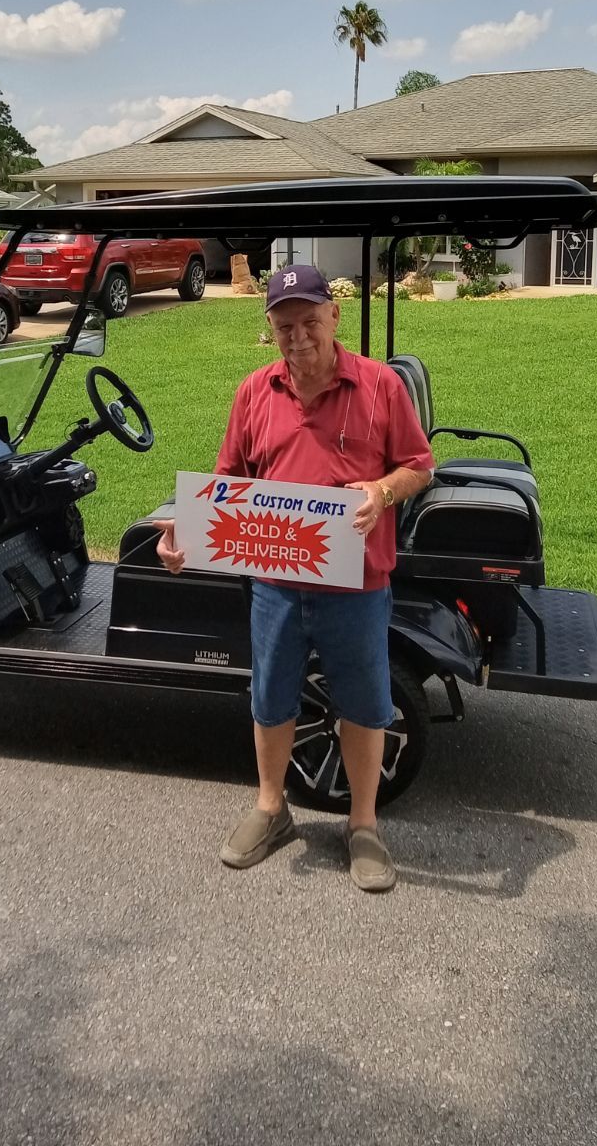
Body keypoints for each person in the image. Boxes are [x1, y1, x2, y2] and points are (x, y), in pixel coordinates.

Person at [155, 263, 433, 892]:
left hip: (357, 585)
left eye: (310, 320)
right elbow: (229, 484)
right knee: (271, 697)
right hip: (276, 584)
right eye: (285, 326)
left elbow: (419, 464)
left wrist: (384, 491)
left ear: (334, 316)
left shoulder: (380, 387)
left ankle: (363, 824)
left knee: (364, 706)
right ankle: (271, 808)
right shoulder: (255, 392)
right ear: (270, 331)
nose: (299, 336)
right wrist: (187, 540)